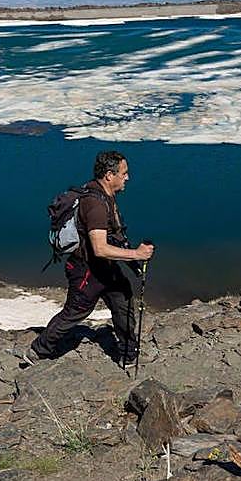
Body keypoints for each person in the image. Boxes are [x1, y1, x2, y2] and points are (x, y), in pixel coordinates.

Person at [24, 150, 155, 366]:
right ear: (109, 175)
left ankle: (128, 354)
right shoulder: (94, 204)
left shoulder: (104, 195)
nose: (127, 178)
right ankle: (38, 351)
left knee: (123, 302)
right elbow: (100, 248)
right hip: (87, 271)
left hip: (106, 267)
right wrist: (136, 255)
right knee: (76, 312)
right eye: (124, 173)